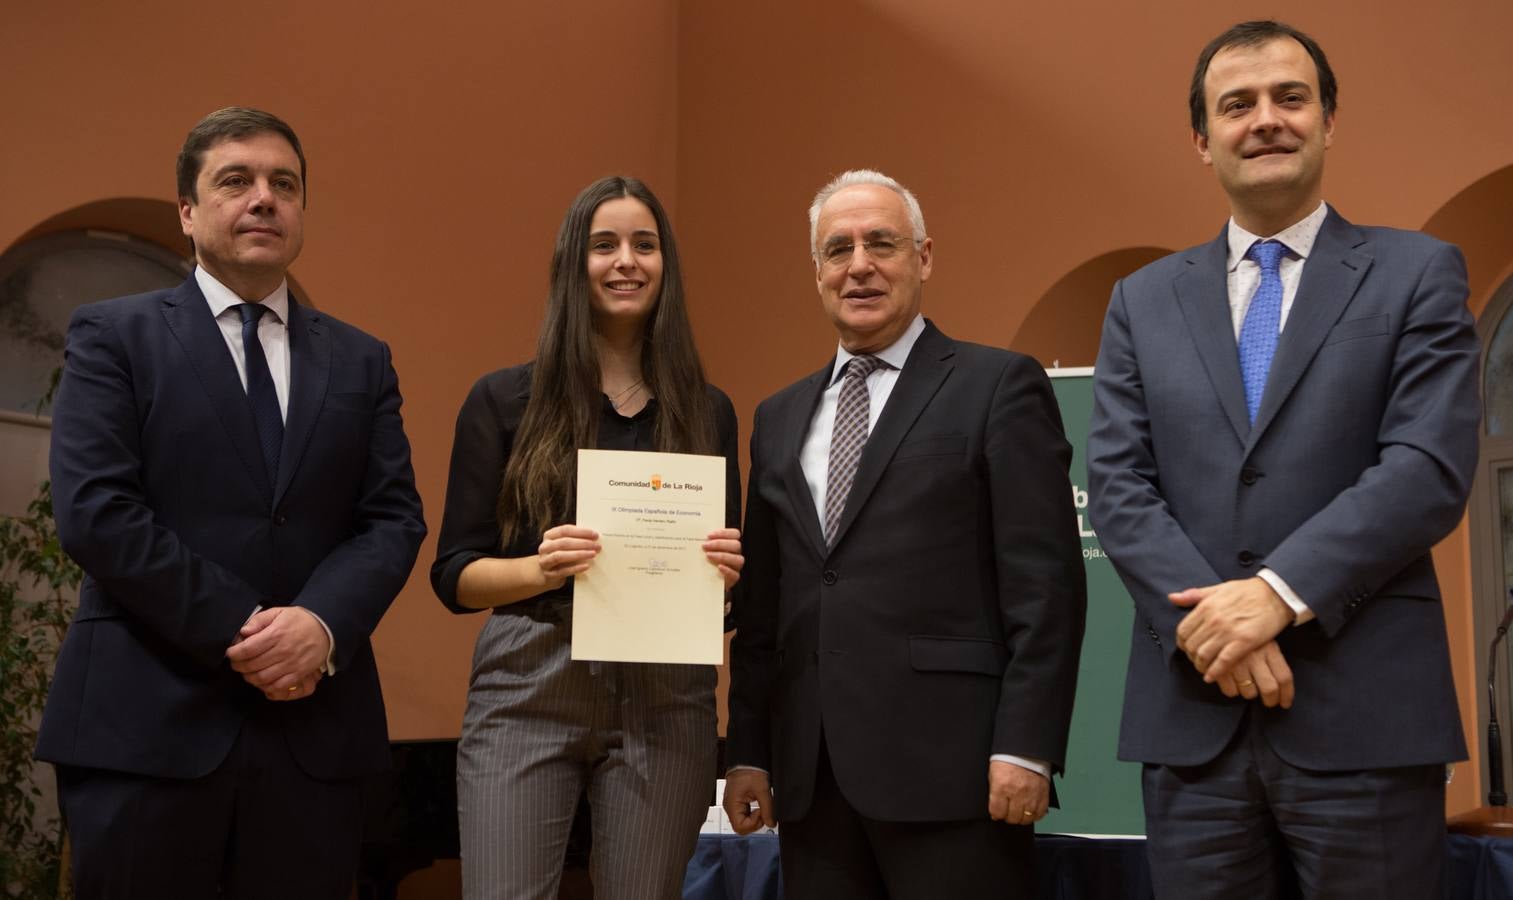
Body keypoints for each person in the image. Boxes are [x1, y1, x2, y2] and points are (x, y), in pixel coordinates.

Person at [1087, 20, 1480, 899]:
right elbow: (1116, 484)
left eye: (1289, 98)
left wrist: (1273, 596)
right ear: (1202, 139)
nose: (1265, 120)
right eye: (1237, 106)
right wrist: (1216, 634)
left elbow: (1425, 467)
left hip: (1366, 724)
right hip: (1193, 725)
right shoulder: (1141, 301)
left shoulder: (1415, 273)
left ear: (1328, 121)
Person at [36, 107, 427, 898]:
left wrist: (318, 625)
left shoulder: (360, 359)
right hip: (146, 729)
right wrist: (246, 628)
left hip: (311, 740)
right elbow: (97, 511)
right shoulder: (113, 336)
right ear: (187, 211)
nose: (264, 199)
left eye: (284, 184)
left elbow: (392, 519)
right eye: (235, 181)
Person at [722, 169, 1086, 899]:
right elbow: (765, 609)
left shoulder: (997, 386)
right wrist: (748, 751)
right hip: (811, 779)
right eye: (838, 249)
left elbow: (1043, 587)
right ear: (817, 272)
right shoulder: (778, 416)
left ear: (922, 258)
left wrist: (1027, 747)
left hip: (955, 774)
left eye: (881, 243)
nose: (859, 265)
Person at [431, 175, 743, 900]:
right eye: (603, 245)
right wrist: (540, 569)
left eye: (644, 244)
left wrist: (726, 577)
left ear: (666, 266)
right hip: (530, 682)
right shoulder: (503, 399)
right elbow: (453, 575)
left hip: (666, 695)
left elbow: (721, 599)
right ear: (574, 264)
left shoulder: (707, 410)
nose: (625, 261)